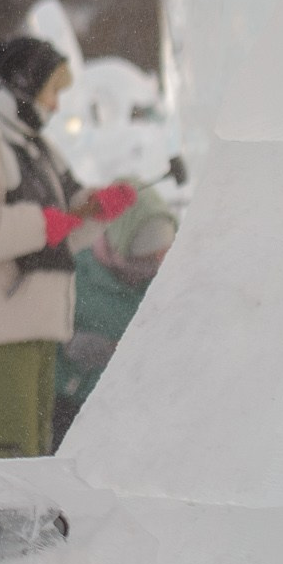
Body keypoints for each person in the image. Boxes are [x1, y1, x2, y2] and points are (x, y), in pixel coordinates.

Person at [0, 37, 136, 460]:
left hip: (38, 322)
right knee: (10, 453)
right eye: (51, 91)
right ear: (23, 86)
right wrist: (41, 224)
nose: (56, 105)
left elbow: (61, 228)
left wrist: (96, 209)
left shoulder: (32, 143)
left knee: (36, 454)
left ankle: (30, 526)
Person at [52, 190, 177, 447]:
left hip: (139, 415)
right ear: (122, 240)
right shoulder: (75, 274)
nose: (155, 264)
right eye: (146, 253)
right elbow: (43, 342)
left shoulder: (170, 283)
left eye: (164, 254)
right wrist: (72, 349)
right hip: (73, 409)